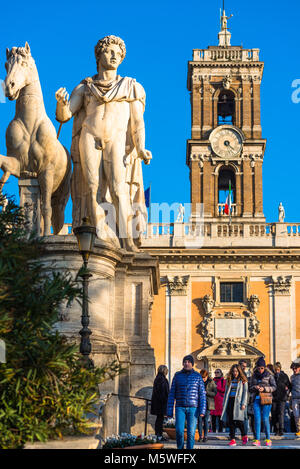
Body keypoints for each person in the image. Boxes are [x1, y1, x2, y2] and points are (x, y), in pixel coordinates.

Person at [55, 35, 152, 251]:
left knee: (119, 189)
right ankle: (99, 234)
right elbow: (65, 115)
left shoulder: (131, 86)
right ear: (99, 55)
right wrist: (61, 104)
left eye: (119, 53)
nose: (115, 55)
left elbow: (138, 123)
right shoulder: (85, 87)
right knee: (90, 188)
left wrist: (141, 147)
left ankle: (127, 242)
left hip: (116, 139)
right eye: (110, 51)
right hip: (89, 136)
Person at [167, 355, 206, 449]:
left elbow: (202, 394)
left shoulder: (197, 376)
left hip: (193, 408)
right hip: (180, 407)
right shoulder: (177, 376)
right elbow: (172, 394)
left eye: (188, 362)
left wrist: (202, 410)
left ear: (192, 364)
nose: (186, 363)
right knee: (179, 431)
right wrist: (169, 410)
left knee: (191, 433)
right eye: (185, 362)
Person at [249, 357, 276, 447]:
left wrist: (264, 388)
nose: (260, 369)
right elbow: (250, 387)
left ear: (264, 368)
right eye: (259, 367)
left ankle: (268, 438)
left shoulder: (269, 375)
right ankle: (257, 439)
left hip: (266, 399)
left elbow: (274, 387)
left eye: (262, 368)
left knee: (265, 418)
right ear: (256, 367)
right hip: (256, 399)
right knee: (257, 419)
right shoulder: (254, 376)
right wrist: (255, 387)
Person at [221, 364, 249, 447]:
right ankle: (232, 439)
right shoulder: (229, 380)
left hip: (238, 402)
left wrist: (243, 403)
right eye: (233, 371)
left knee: (239, 421)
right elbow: (226, 392)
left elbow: (245, 393)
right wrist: (224, 403)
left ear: (239, 371)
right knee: (231, 421)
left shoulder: (243, 381)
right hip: (230, 401)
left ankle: (244, 435)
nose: (235, 373)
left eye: (236, 371)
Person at [271, 362, 290, 436]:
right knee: (274, 413)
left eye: (278, 369)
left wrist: (287, 393)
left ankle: (281, 429)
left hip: (282, 398)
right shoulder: (272, 376)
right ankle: (276, 429)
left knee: (281, 413)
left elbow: (289, 386)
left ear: (280, 369)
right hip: (274, 398)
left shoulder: (284, 376)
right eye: (275, 370)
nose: (277, 371)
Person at [150, 365, 169, 441]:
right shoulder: (162, 379)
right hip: (161, 403)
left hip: (158, 403)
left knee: (159, 419)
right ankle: (159, 435)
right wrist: (166, 400)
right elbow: (163, 392)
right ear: (164, 371)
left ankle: (158, 435)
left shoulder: (158, 378)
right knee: (160, 420)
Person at [198, 369, 217, 442]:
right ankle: (200, 436)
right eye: (202, 377)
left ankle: (205, 436)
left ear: (207, 376)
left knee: (206, 420)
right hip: (199, 403)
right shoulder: (198, 382)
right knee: (199, 420)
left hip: (208, 403)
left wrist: (207, 392)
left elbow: (215, 393)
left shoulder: (211, 382)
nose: (203, 379)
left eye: (204, 378)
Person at [211, 369, 226, 433]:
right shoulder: (212, 381)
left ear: (221, 373)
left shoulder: (223, 381)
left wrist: (217, 387)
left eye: (218, 372)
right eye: (215, 372)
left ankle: (220, 431)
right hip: (213, 401)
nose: (216, 373)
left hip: (220, 401)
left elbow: (224, 390)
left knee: (220, 417)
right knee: (213, 417)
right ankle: (213, 431)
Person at [239, 359, 251, 436]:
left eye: (245, 367)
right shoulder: (236, 375)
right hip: (237, 398)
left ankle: (245, 434)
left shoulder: (245, 375)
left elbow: (246, 389)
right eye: (243, 366)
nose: (244, 368)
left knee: (245, 417)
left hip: (245, 399)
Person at [290, 359, 300, 437]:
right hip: (294, 398)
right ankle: (299, 430)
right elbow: (291, 387)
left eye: (296, 368)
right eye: (293, 368)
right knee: (296, 415)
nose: (294, 370)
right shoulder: (292, 377)